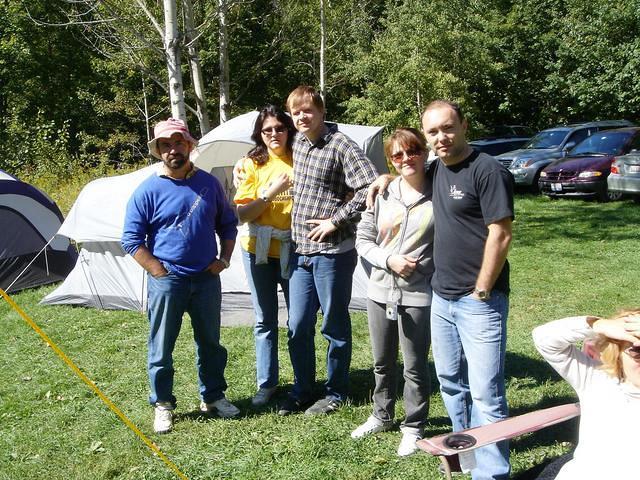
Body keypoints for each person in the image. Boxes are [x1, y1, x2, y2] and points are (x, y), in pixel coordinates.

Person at [369, 100, 514, 479]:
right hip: (441, 297)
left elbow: (501, 233)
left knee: (486, 392)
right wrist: (385, 179)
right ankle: (466, 453)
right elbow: (407, 170)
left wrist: (482, 289)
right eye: (432, 132)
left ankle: (492, 471)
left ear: (464, 125)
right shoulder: (436, 170)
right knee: (451, 383)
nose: (441, 137)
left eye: (448, 128)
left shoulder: (487, 170)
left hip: (477, 300)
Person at [121, 118, 239, 434]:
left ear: (189, 144)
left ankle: (213, 397)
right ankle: (162, 404)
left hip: (205, 279)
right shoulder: (147, 190)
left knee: (211, 344)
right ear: (158, 150)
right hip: (167, 282)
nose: (173, 149)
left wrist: (224, 259)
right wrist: (158, 270)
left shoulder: (209, 184)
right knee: (161, 347)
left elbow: (228, 224)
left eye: (178, 142)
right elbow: (131, 239)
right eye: (165, 144)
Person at [278, 86, 379, 416]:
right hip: (299, 252)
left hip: (332, 253)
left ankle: (336, 392)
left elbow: (370, 185)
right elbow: (267, 146)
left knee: (333, 325)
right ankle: (303, 389)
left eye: (308, 110)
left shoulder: (341, 145)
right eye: (296, 112)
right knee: (297, 325)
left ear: (322, 111)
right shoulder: (298, 143)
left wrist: (336, 220)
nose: (302, 117)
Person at [352, 128, 434, 456]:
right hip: (379, 289)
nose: (405, 160)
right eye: (397, 155)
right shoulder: (383, 192)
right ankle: (381, 414)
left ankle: (414, 425)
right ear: (390, 160)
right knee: (382, 361)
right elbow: (363, 239)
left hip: (418, 293)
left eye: (412, 151)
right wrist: (388, 260)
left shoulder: (438, 190)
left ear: (424, 152)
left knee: (414, 365)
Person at [233, 105, 295, 407]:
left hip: (293, 249)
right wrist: (271, 192)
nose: (274, 134)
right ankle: (266, 384)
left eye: (279, 128)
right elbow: (242, 215)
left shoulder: (302, 157)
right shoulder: (252, 164)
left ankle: (302, 382)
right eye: (267, 129)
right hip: (258, 251)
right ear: (260, 132)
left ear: (289, 129)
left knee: (298, 319)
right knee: (265, 320)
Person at [532, 310, 640, 479]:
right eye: (637, 352)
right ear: (618, 355)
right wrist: (598, 325)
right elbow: (544, 338)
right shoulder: (596, 380)